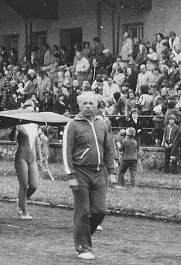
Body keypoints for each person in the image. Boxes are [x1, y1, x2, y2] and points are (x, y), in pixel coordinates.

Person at [62, 91, 116, 260]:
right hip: (80, 172)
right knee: (83, 211)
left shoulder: (102, 124)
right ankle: (83, 247)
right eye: (84, 103)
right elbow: (66, 152)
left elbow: (108, 148)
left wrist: (112, 171)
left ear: (96, 105)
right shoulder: (72, 124)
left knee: (100, 211)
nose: (87, 106)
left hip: (100, 173)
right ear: (79, 105)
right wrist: (70, 175)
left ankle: (82, 234)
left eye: (91, 103)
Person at [9, 100, 42, 219]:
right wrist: (14, 128)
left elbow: (37, 142)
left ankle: (20, 201)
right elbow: (12, 139)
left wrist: (40, 159)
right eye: (27, 111)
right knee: (24, 185)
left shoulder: (35, 124)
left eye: (32, 111)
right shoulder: (20, 124)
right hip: (21, 157)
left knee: (33, 185)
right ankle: (24, 212)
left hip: (32, 159)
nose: (30, 113)